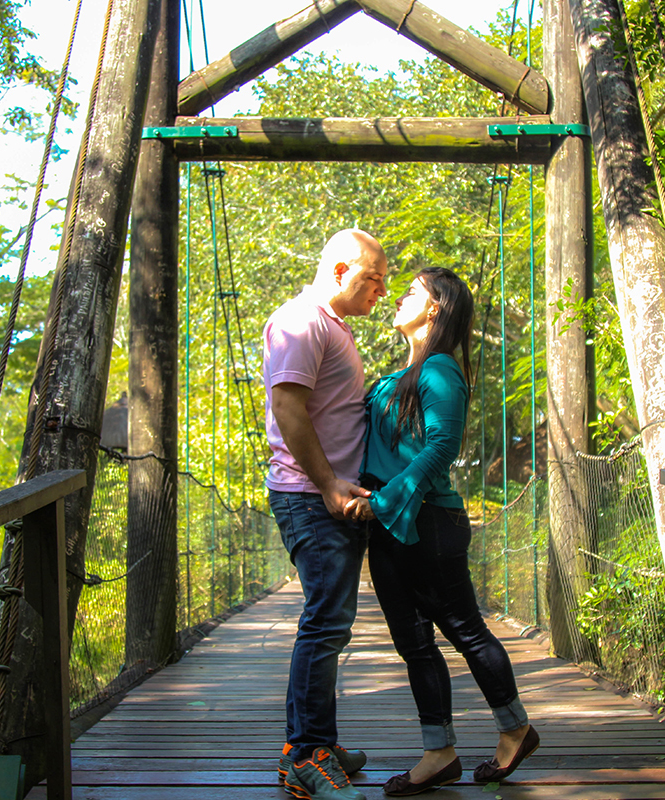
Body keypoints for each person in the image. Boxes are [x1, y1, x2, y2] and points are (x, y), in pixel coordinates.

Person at [344, 267, 539, 796]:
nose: (396, 297)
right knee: (413, 644)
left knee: (465, 631)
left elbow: (442, 447)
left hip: (428, 522)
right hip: (389, 526)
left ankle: (515, 729)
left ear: (435, 308)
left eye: (411, 291)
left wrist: (385, 498)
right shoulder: (402, 375)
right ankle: (440, 752)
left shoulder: (439, 371)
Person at [264, 229, 389, 800]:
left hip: (326, 495)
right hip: (310, 497)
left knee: (330, 622)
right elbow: (287, 406)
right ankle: (307, 754)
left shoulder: (331, 325)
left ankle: (314, 742)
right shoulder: (302, 320)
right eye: (373, 278)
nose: (381, 291)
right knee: (326, 622)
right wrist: (327, 484)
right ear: (340, 271)